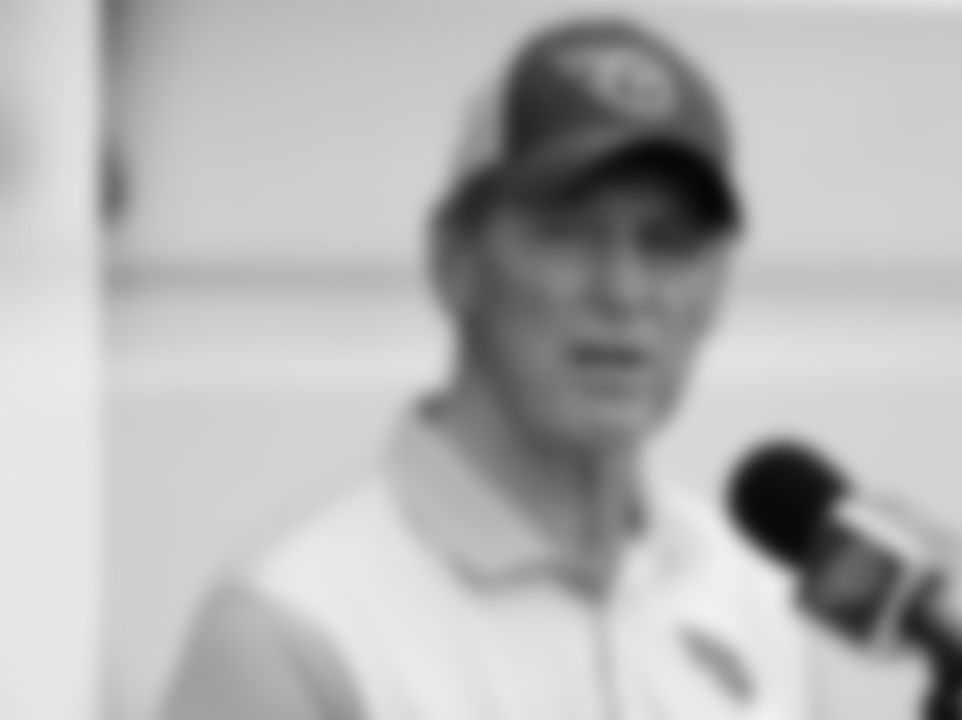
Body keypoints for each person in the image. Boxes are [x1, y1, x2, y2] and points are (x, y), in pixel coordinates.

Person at [161, 15, 812, 720]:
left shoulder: (757, 596)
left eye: (668, 243)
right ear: (454, 262)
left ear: (718, 288)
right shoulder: (296, 633)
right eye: (566, 233)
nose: (623, 291)